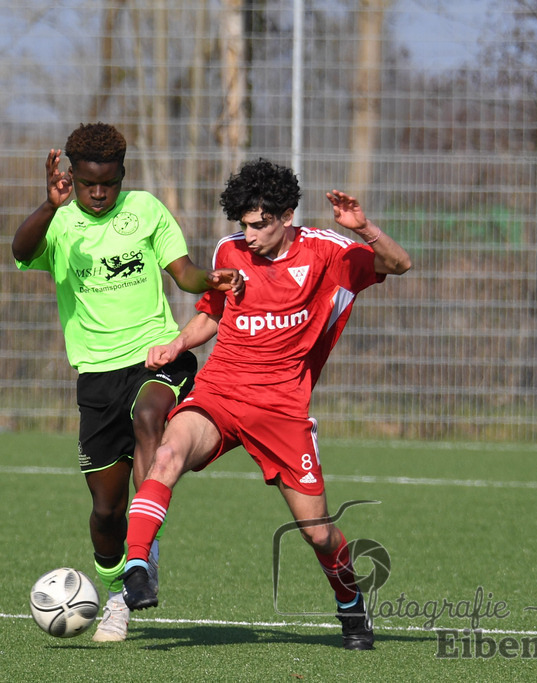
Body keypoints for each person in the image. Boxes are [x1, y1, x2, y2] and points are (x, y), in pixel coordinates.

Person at [119, 158, 412, 650]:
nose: (248, 235)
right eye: (243, 225)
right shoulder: (229, 251)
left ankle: (349, 603)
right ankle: (137, 569)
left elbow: (398, 264)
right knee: (166, 456)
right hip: (220, 393)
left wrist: (366, 229)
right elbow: (214, 312)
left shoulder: (328, 252)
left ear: (287, 215)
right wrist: (177, 344)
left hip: (281, 410)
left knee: (318, 534)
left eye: (259, 225)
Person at [12, 122, 243, 642]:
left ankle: (144, 555)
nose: (99, 193)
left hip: (155, 358)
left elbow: (182, 271)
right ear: (72, 176)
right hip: (95, 377)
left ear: (122, 176)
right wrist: (49, 206)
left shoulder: (146, 210)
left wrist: (210, 280)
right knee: (103, 512)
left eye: (109, 183)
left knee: (149, 417)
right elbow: (20, 251)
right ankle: (119, 589)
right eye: (89, 183)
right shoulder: (60, 222)